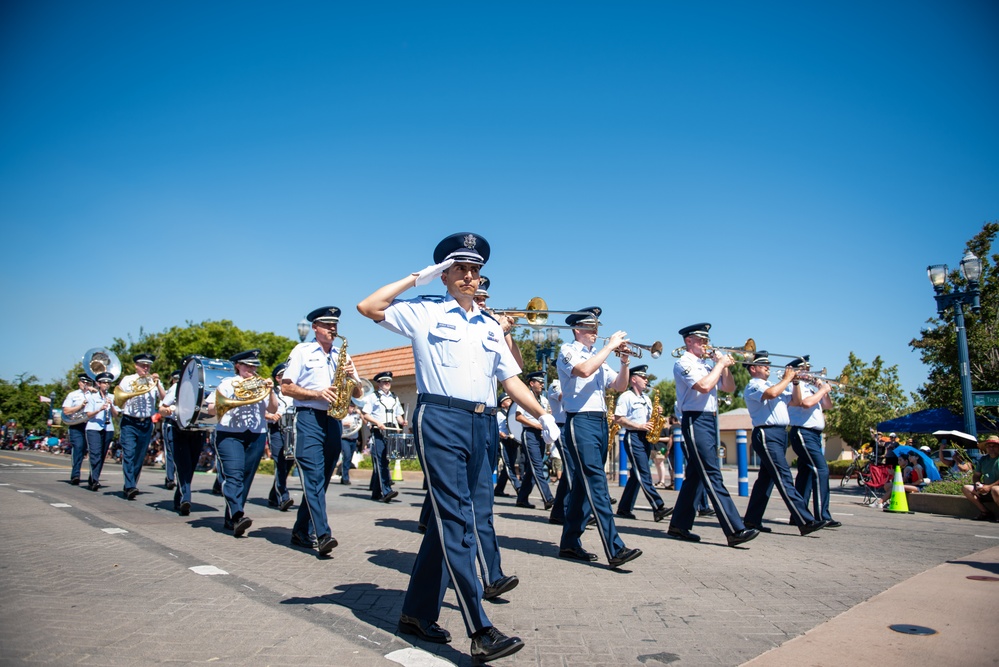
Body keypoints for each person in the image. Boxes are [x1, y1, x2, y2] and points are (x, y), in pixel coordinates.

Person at [357, 232, 558, 662]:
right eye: (461, 269)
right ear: (444, 274)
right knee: (458, 525)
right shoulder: (424, 311)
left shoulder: (489, 326)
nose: (470, 276)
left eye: (475, 270)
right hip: (442, 419)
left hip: (481, 423)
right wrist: (417, 277)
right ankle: (480, 629)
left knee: (457, 521)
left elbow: (511, 379)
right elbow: (368, 307)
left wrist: (543, 415)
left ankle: (415, 612)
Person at [556, 306, 642, 568]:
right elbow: (583, 371)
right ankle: (615, 548)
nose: (595, 333)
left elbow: (619, 386)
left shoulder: (599, 356)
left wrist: (625, 361)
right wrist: (610, 347)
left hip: (599, 422)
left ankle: (570, 543)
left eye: (597, 329)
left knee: (583, 487)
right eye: (591, 328)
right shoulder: (567, 351)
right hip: (579, 420)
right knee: (597, 483)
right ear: (577, 329)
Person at [281, 306, 364, 556]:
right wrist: (318, 393)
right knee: (314, 477)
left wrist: (353, 379)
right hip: (309, 417)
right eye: (327, 324)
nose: (332, 328)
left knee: (323, 479)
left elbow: (359, 393)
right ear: (315, 328)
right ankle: (323, 533)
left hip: (333, 420)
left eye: (334, 324)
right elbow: (286, 388)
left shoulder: (342, 355)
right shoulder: (302, 351)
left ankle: (299, 530)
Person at [666, 323, 758, 546]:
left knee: (696, 477)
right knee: (711, 473)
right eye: (701, 340)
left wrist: (724, 367)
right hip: (695, 420)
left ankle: (679, 525)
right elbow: (704, 386)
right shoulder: (683, 363)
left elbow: (728, 387)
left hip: (709, 420)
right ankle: (735, 529)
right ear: (689, 341)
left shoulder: (707, 365)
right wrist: (719, 365)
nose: (705, 344)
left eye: (707, 340)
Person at [742, 352, 824, 537]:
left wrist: (795, 382)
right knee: (783, 476)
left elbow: (795, 401)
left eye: (768, 365)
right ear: (753, 369)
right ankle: (805, 520)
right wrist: (787, 378)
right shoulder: (754, 385)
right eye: (763, 365)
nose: (768, 368)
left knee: (766, 478)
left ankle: (752, 519)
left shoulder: (774, 384)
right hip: (766, 432)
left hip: (779, 434)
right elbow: (772, 394)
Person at [206, 349, 278, 537]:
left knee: (246, 478)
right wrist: (233, 401)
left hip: (255, 434)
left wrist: (270, 391)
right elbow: (212, 409)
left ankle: (232, 518)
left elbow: (272, 408)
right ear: (238, 365)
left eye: (254, 366)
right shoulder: (228, 384)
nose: (252, 369)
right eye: (247, 365)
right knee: (234, 475)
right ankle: (238, 515)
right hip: (229, 433)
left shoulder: (260, 384)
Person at [614, 365, 672, 523]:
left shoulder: (646, 399)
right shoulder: (626, 396)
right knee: (643, 472)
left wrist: (657, 415)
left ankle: (624, 508)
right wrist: (638, 426)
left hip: (645, 438)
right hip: (633, 436)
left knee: (636, 475)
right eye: (643, 377)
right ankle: (658, 506)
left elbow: (650, 420)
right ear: (634, 379)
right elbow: (618, 418)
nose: (646, 380)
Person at [788, 359, 839, 528]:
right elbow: (806, 403)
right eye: (805, 369)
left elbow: (828, 405)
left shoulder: (810, 387)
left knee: (806, 474)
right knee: (821, 470)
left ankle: (797, 515)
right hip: (803, 432)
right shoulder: (795, 385)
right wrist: (822, 389)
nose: (809, 373)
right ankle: (822, 515)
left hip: (814, 434)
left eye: (809, 369)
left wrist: (823, 390)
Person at [159, 360, 207, 516]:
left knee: (191, 466)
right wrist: (170, 410)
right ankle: (186, 498)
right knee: (182, 464)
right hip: (178, 429)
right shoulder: (177, 386)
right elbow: (162, 408)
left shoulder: (203, 387)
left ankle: (179, 497)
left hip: (197, 431)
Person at [116, 353, 166, 500]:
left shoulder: (153, 381)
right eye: (143, 365)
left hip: (146, 423)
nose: (146, 368)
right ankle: (130, 485)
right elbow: (119, 399)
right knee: (129, 453)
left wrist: (157, 383)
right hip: (130, 421)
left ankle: (130, 484)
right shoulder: (128, 380)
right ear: (136, 366)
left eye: (148, 365)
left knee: (139, 456)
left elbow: (165, 398)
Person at [514, 371, 555, 511]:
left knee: (533, 469)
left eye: (543, 382)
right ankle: (547, 497)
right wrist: (535, 425)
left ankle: (522, 498)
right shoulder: (525, 397)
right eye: (540, 382)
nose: (542, 385)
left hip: (541, 434)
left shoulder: (543, 399)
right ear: (532, 383)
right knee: (537, 466)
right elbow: (518, 417)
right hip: (530, 433)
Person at [362, 371, 406, 502]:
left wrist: (402, 422)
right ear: (379, 383)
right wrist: (377, 423)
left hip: (391, 431)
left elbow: (398, 414)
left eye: (389, 381)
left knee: (385, 461)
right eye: (384, 381)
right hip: (378, 431)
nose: (387, 384)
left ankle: (376, 493)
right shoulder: (372, 397)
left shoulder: (394, 397)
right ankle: (387, 491)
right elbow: (366, 414)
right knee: (381, 461)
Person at [266, 362, 295, 510]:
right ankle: (283, 496)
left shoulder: (294, 391)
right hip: (277, 429)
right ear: (278, 378)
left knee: (288, 464)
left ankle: (273, 495)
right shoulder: (272, 392)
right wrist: (271, 415)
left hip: (293, 431)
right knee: (280, 463)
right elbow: (263, 409)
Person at [83, 371, 119, 491]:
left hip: (108, 428)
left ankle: (94, 476)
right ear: (98, 384)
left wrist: (111, 405)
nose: (106, 385)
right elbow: (88, 414)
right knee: (95, 454)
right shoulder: (92, 397)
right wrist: (99, 409)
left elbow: (116, 414)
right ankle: (95, 480)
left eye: (108, 383)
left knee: (102, 455)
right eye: (104, 383)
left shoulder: (112, 397)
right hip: (94, 427)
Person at [61, 373, 94, 485]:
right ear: (79, 383)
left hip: (90, 424)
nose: (85, 384)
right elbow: (66, 411)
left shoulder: (94, 394)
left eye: (87, 382)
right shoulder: (73, 395)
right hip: (76, 424)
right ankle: (75, 475)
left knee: (92, 450)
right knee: (78, 448)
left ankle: (93, 476)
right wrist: (80, 406)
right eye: (83, 382)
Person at [963, 436, 999, 521]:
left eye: (994, 446)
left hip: (995, 488)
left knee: (995, 489)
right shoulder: (983, 459)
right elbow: (976, 475)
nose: (991, 448)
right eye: (989, 446)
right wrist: (977, 484)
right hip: (986, 488)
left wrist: (989, 487)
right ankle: (985, 512)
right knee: (966, 488)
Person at [493, 394, 520, 497]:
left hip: (511, 441)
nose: (510, 402)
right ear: (502, 403)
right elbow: (494, 426)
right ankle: (518, 487)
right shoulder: (499, 414)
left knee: (508, 466)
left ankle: (499, 489)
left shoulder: (511, 414)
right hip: (503, 441)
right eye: (507, 400)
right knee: (509, 466)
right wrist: (500, 433)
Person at [160, 370, 181, 490]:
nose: (177, 381)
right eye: (176, 379)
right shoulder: (173, 389)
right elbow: (163, 407)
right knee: (170, 453)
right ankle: (170, 478)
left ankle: (176, 477)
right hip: (170, 423)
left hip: (181, 424)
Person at [337, 401, 363, 485]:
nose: (352, 408)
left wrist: (361, 414)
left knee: (349, 458)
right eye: (350, 407)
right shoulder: (343, 415)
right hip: (345, 438)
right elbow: (337, 423)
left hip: (353, 439)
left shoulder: (356, 415)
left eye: (353, 407)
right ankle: (345, 478)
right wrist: (344, 424)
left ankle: (344, 476)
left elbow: (364, 422)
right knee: (347, 456)